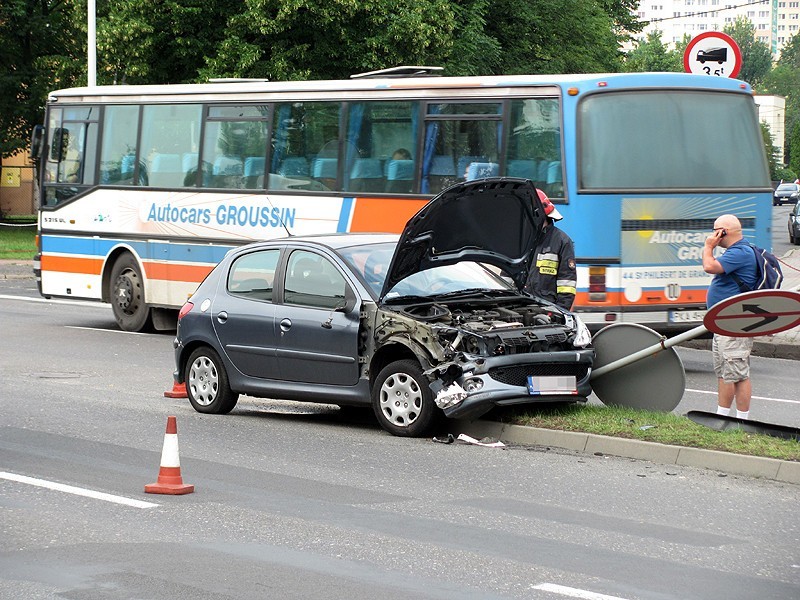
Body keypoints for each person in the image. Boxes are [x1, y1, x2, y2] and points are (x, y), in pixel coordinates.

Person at [702, 214, 758, 420]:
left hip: (735, 323)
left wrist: (709, 247)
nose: (712, 234)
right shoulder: (737, 251)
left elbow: (709, 266)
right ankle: (722, 417)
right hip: (724, 322)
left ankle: (742, 421)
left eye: (715, 230)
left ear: (722, 232)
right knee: (725, 373)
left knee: (739, 373)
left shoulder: (740, 252)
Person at [523, 189, 576, 310]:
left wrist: (560, 313)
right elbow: (507, 278)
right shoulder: (521, 240)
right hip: (520, 309)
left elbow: (567, 285)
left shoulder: (562, 241)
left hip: (548, 311)